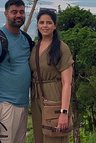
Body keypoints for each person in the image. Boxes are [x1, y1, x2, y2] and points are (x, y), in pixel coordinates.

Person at [0, 0, 33, 143]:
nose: (18, 15)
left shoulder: (25, 39)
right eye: (14, 12)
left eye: (22, 12)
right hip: (3, 105)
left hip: (22, 104)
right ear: (6, 14)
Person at [30, 9, 74, 143]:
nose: (45, 25)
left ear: (55, 25)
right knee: (40, 137)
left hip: (54, 96)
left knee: (54, 137)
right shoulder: (35, 46)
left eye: (49, 22)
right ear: (37, 25)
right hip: (37, 97)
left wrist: (63, 112)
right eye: (41, 22)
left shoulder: (61, 48)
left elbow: (67, 83)